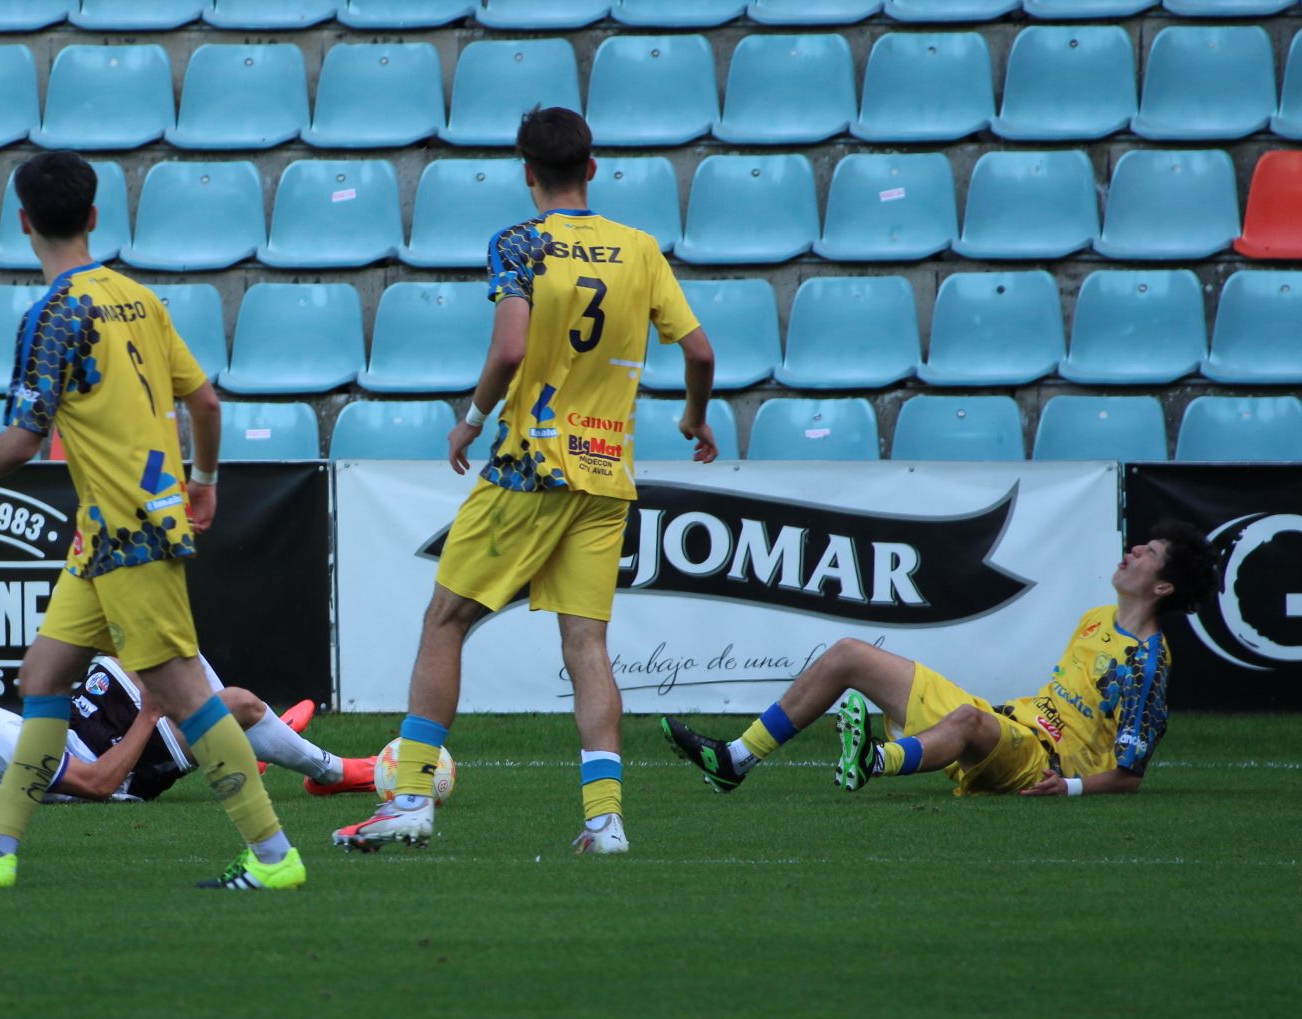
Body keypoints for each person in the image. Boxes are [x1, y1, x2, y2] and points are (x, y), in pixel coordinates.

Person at [0, 151, 304, 891]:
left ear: (22, 222)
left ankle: (275, 856)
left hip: (129, 533)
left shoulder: (51, 317)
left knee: (187, 694)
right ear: (94, 216)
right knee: (43, 674)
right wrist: (206, 481)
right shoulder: (138, 299)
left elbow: (26, 437)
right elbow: (207, 404)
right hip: (111, 533)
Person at [333, 107, 717, 857]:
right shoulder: (640, 250)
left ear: (527, 171)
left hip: (531, 463)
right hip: (607, 471)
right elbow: (700, 351)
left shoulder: (520, 244)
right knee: (587, 643)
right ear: (594, 168)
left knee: (445, 622)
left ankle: (409, 799)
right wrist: (694, 420)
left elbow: (510, 348)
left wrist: (471, 419)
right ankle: (606, 821)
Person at [662, 523, 1223, 799]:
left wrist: (1068, 789)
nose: (1132, 551)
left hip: (1042, 763)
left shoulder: (1148, 663)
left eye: (1147, 554)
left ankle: (875, 761)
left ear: (1164, 587)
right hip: (1010, 725)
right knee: (848, 655)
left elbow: (1130, 775)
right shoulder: (1096, 618)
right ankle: (736, 759)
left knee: (969, 721)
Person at [0, 627, 372, 807]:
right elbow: (99, 785)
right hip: (117, 763)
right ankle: (330, 774)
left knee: (159, 644)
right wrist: (150, 715)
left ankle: (239, 749)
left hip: (77, 730)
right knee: (240, 704)